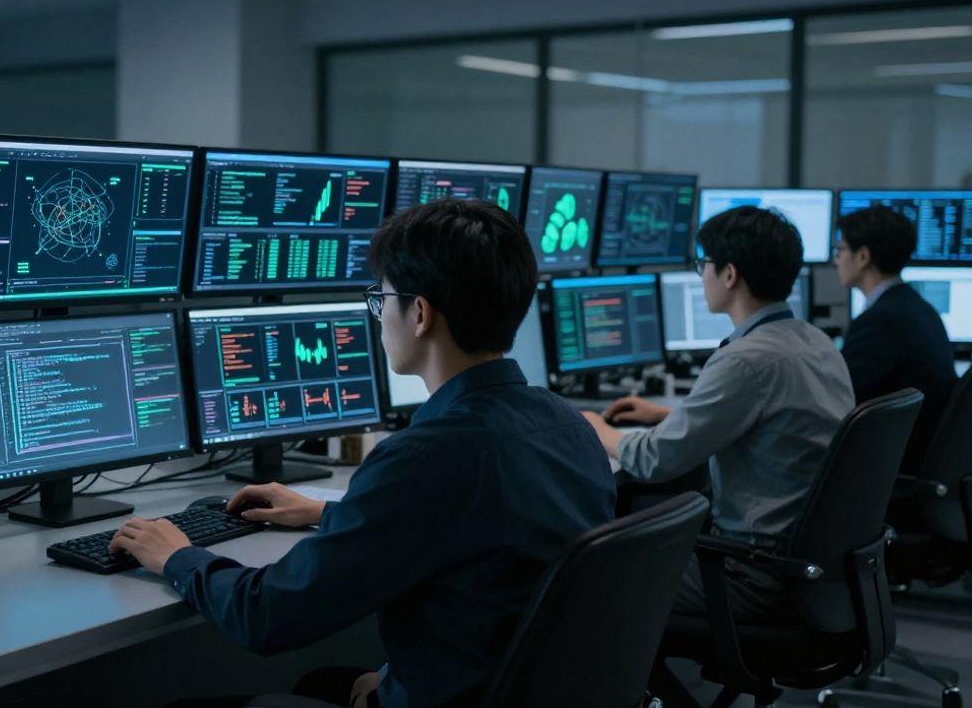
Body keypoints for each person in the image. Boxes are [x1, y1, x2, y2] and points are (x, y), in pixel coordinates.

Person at [109, 200, 616, 708]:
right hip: (512, 689)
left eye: (382, 298)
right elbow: (488, 546)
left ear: (419, 314)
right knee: (321, 683)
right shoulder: (566, 423)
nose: (378, 315)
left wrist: (176, 556)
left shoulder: (425, 458)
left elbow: (266, 617)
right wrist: (331, 512)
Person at [581, 206, 853, 622]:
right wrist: (665, 414)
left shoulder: (748, 360)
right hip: (809, 567)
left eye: (702, 264)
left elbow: (655, 460)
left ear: (729, 275)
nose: (701, 274)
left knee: (586, 576)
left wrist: (599, 428)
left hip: (752, 574)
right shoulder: (816, 343)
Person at [835, 205, 956, 475]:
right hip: (922, 461)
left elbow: (839, 397)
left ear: (863, 256)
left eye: (840, 250)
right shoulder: (919, 308)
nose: (836, 260)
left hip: (894, 469)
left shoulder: (881, 320)